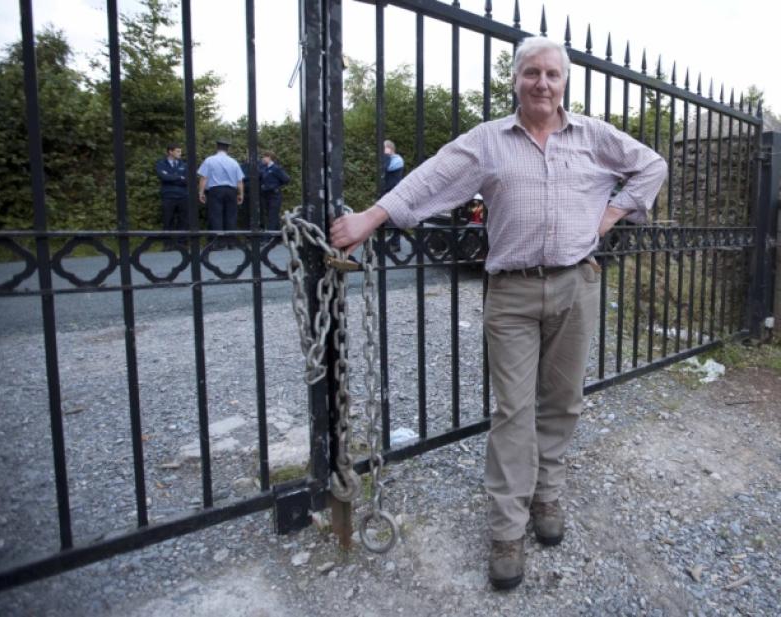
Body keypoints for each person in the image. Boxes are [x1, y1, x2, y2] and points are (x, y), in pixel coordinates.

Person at [329, 36, 667, 591]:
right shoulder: (489, 141)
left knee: (562, 400)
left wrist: (611, 215)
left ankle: (547, 495)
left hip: (576, 284)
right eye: (530, 72)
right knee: (514, 411)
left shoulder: (595, 137)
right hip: (510, 293)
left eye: (551, 74)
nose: (541, 83)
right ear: (515, 79)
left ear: (564, 83)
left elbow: (651, 166)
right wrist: (373, 216)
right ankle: (507, 529)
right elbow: (433, 177)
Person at [197, 138, 244, 248]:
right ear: (228, 149)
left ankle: (218, 243)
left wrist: (201, 192)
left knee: (216, 216)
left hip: (215, 190)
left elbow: (203, 178)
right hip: (231, 191)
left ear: (217, 147)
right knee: (231, 216)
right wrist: (241, 194)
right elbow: (240, 181)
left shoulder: (209, 160)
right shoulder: (234, 162)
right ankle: (231, 242)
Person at [155, 143, 188, 249]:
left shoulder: (183, 164)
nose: (180, 153)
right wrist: (179, 177)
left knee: (183, 220)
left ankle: (181, 243)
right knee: (167, 220)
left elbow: (187, 180)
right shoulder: (161, 163)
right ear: (170, 151)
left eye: (180, 151)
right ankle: (167, 244)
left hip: (182, 195)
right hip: (168, 196)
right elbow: (163, 177)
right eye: (178, 151)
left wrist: (172, 177)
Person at [258, 150, 290, 232]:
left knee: (272, 215)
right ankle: (277, 236)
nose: (263, 159)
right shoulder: (264, 168)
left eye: (264, 157)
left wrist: (275, 186)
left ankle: (269, 237)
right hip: (266, 195)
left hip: (274, 195)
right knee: (270, 215)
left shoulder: (276, 168)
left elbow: (286, 179)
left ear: (269, 157)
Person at [382, 139, 404, 252]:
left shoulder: (398, 160)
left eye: (384, 148)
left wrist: (386, 155)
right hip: (386, 192)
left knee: (393, 219)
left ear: (390, 148)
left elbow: (386, 168)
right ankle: (388, 242)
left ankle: (396, 244)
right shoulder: (388, 159)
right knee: (384, 218)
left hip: (394, 192)